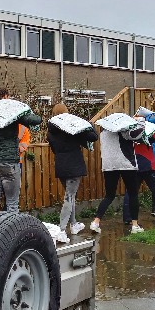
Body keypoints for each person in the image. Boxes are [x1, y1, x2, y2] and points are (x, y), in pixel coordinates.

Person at [0, 88, 42, 217]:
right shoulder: (10, 113)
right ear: (5, 97)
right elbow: (35, 120)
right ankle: (11, 236)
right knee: (12, 205)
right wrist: (25, 111)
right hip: (10, 164)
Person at [47, 103, 98, 244]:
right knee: (69, 197)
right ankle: (61, 231)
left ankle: (74, 224)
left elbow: (54, 149)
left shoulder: (51, 131)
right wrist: (89, 124)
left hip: (61, 166)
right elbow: (93, 137)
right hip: (74, 166)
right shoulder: (73, 129)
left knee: (71, 195)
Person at [90, 116, 145, 234]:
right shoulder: (124, 129)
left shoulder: (103, 131)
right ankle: (135, 225)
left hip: (109, 165)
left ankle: (96, 222)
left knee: (109, 195)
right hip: (126, 164)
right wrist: (141, 121)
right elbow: (137, 135)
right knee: (133, 193)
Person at [122, 117, 155, 223]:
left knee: (131, 192)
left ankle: (128, 217)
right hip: (147, 164)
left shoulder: (126, 132)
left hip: (133, 164)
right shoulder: (146, 132)